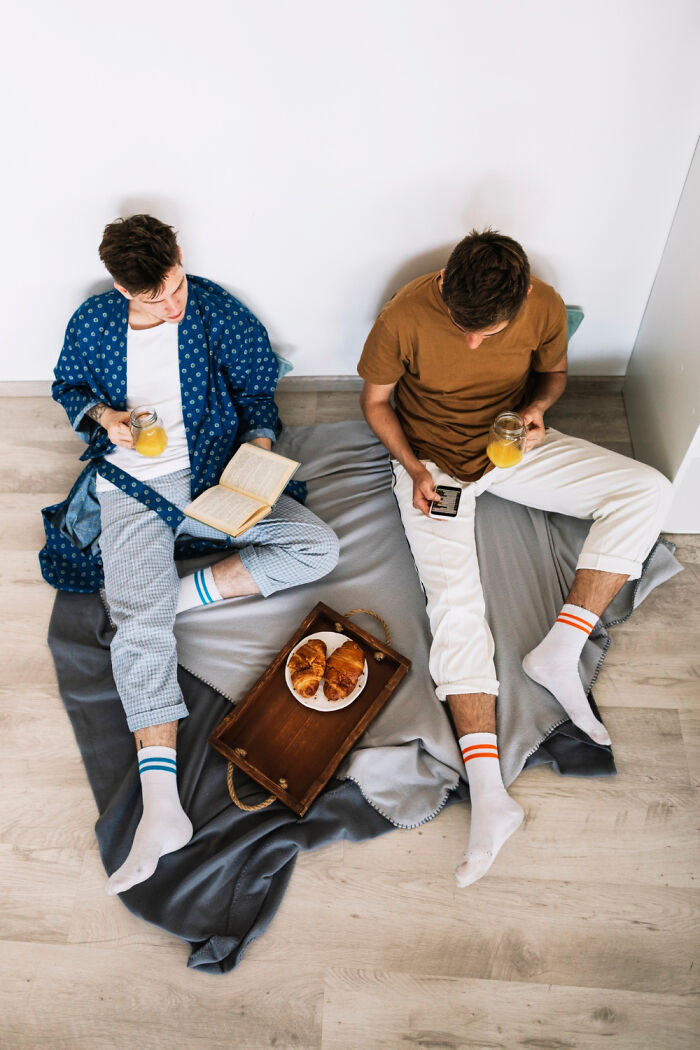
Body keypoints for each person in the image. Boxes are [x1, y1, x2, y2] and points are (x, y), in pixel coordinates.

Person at [357, 229, 671, 888]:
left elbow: (553, 375)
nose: (474, 343)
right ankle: (489, 793)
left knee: (648, 490)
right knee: (454, 603)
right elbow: (376, 402)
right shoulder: (403, 316)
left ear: (523, 296)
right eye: (462, 327)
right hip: (433, 465)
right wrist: (413, 468)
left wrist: (535, 410)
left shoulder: (544, 304)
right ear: (445, 283)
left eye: (489, 332)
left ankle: (561, 648)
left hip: (509, 449)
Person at [47, 214, 339, 895]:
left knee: (316, 547)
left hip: (213, 478)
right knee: (139, 633)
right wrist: (105, 418)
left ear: (179, 254)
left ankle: (167, 601)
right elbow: (69, 388)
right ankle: (162, 809)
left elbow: (258, 388)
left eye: (176, 285)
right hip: (129, 484)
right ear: (123, 289)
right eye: (155, 299)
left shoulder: (214, 310)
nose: (173, 304)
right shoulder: (93, 323)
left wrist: (258, 452)